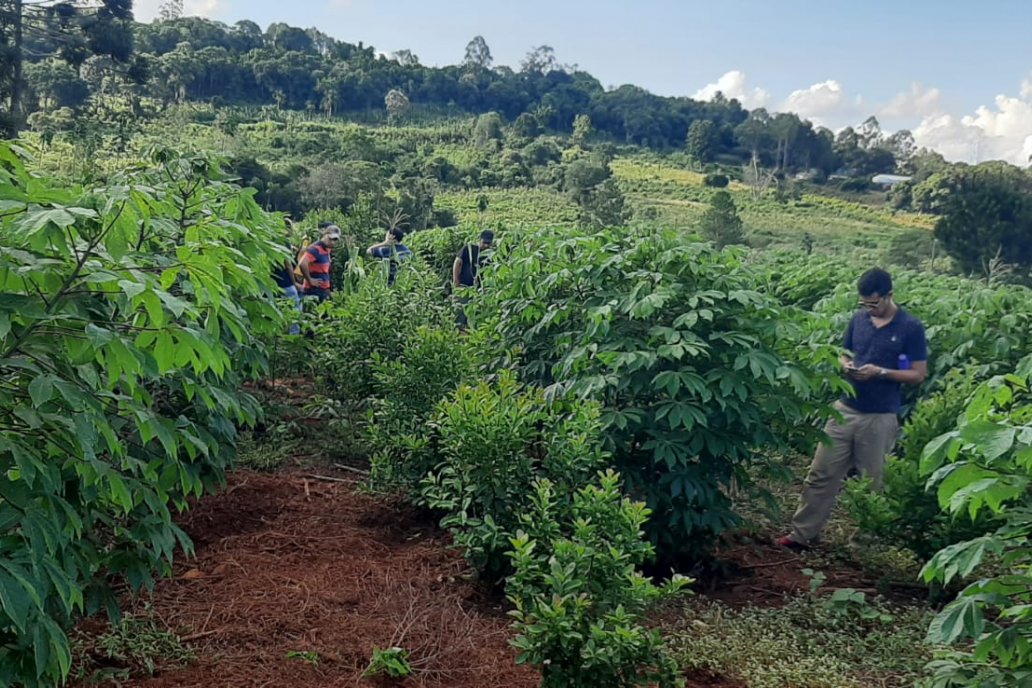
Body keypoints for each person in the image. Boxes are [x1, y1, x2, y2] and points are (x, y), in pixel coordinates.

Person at [776, 268, 927, 551]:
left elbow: (918, 374)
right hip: (844, 409)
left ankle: (864, 545)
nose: (870, 309)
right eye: (865, 304)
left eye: (875, 303)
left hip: (880, 415)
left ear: (889, 295)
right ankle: (802, 534)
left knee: (872, 482)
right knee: (821, 474)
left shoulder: (910, 328)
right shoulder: (858, 320)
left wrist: (880, 372)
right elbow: (844, 352)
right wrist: (845, 365)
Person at [453, 230, 494, 329]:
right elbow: (457, 263)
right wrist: (456, 281)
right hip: (464, 286)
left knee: (475, 313)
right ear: (480, 240)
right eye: (484, 243)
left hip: (480, 290)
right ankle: (459, 331)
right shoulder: (469, 249)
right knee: (461, 310)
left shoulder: (490, 254)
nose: (486, 246)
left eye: (489, 244)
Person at [274, 219, 304, 334]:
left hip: (274, 281)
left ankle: (278, 334)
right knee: (295, 308)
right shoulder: (284, 242)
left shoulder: (274, 240)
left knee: (278, 308)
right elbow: (288, 265)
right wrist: (295, 282)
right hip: (286, 281)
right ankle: (293, 335)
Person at [299, 223, 341, 302]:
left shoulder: (327, 249)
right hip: (312, 291)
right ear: (325, 235)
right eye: (330, 239)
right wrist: (310, 280)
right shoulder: (315, 249)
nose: (332, 242)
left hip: (323, 290)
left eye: (335, 240)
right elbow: (302, 263)